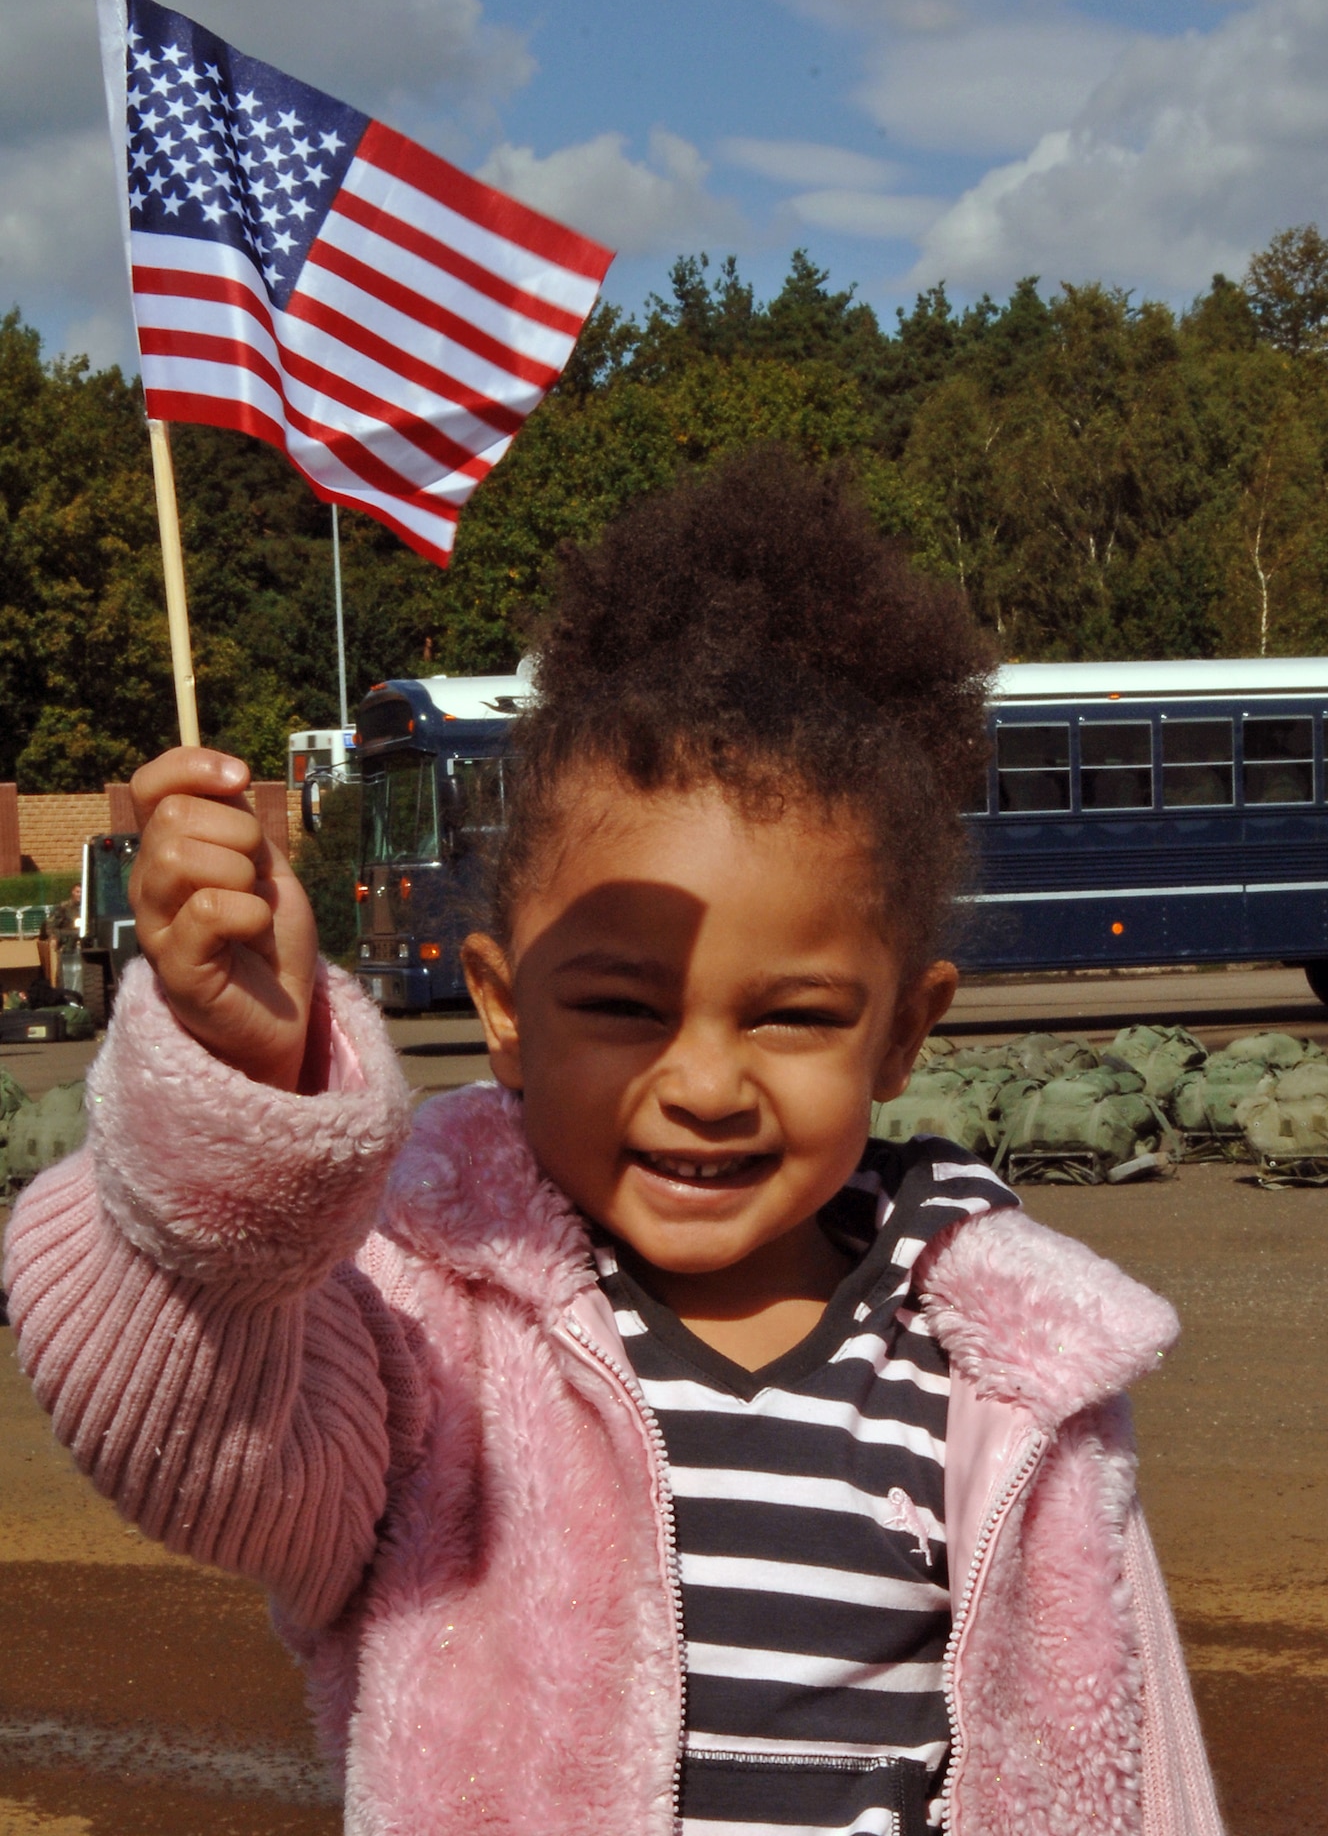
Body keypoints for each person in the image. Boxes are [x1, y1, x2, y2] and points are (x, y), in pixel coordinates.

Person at [3, 449, 1223, 1836]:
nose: (704, 1083)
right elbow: (193, 1439)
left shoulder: (1013, 1374)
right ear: (504, 1009)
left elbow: (1129, 1774)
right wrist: (240, 1078)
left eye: (797, 1016)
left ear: (902, 1032)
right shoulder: (422, 1336)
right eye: (623, 1006)